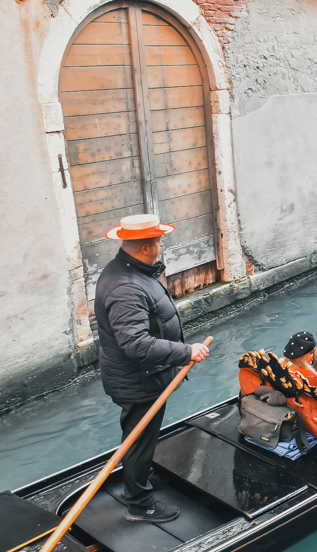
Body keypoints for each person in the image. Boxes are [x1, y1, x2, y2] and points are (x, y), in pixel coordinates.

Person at [96, 214, 210, 524]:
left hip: (143, 376)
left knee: (141, 434)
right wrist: (186, 351)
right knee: (139, 437)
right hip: (138, 379)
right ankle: (139, 503)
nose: (161, 245)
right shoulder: (126, 287)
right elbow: (137, 345)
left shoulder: (132, 270)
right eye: (158, 241)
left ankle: (139, 479)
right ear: (146, 247)